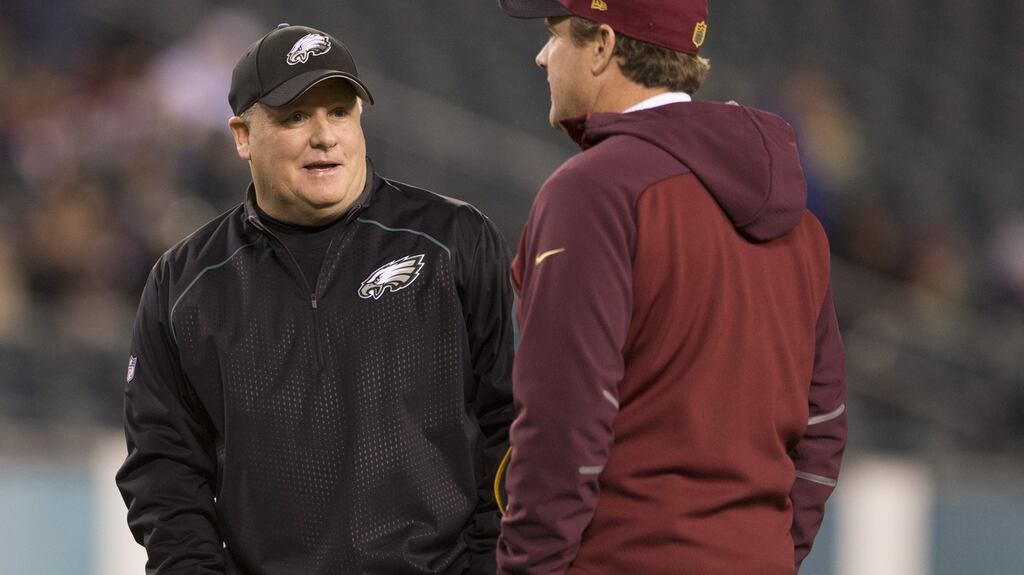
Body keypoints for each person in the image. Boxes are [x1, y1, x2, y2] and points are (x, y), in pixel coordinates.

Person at [116, 23, 515, 575]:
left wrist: (489, 564)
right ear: (242, 136)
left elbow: (514, 419)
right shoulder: (185, 283)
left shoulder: (455, 239)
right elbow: (164, 471)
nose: (325, 136)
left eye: (340, 112)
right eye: (296, 116)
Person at [494, 1, 846, 574]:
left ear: (603, 46)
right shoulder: (800, 223)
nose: (541, 56)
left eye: (555, 36)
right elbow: (824, 423)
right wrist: (770, 552)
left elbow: (564, 423)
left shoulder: (592, 192)